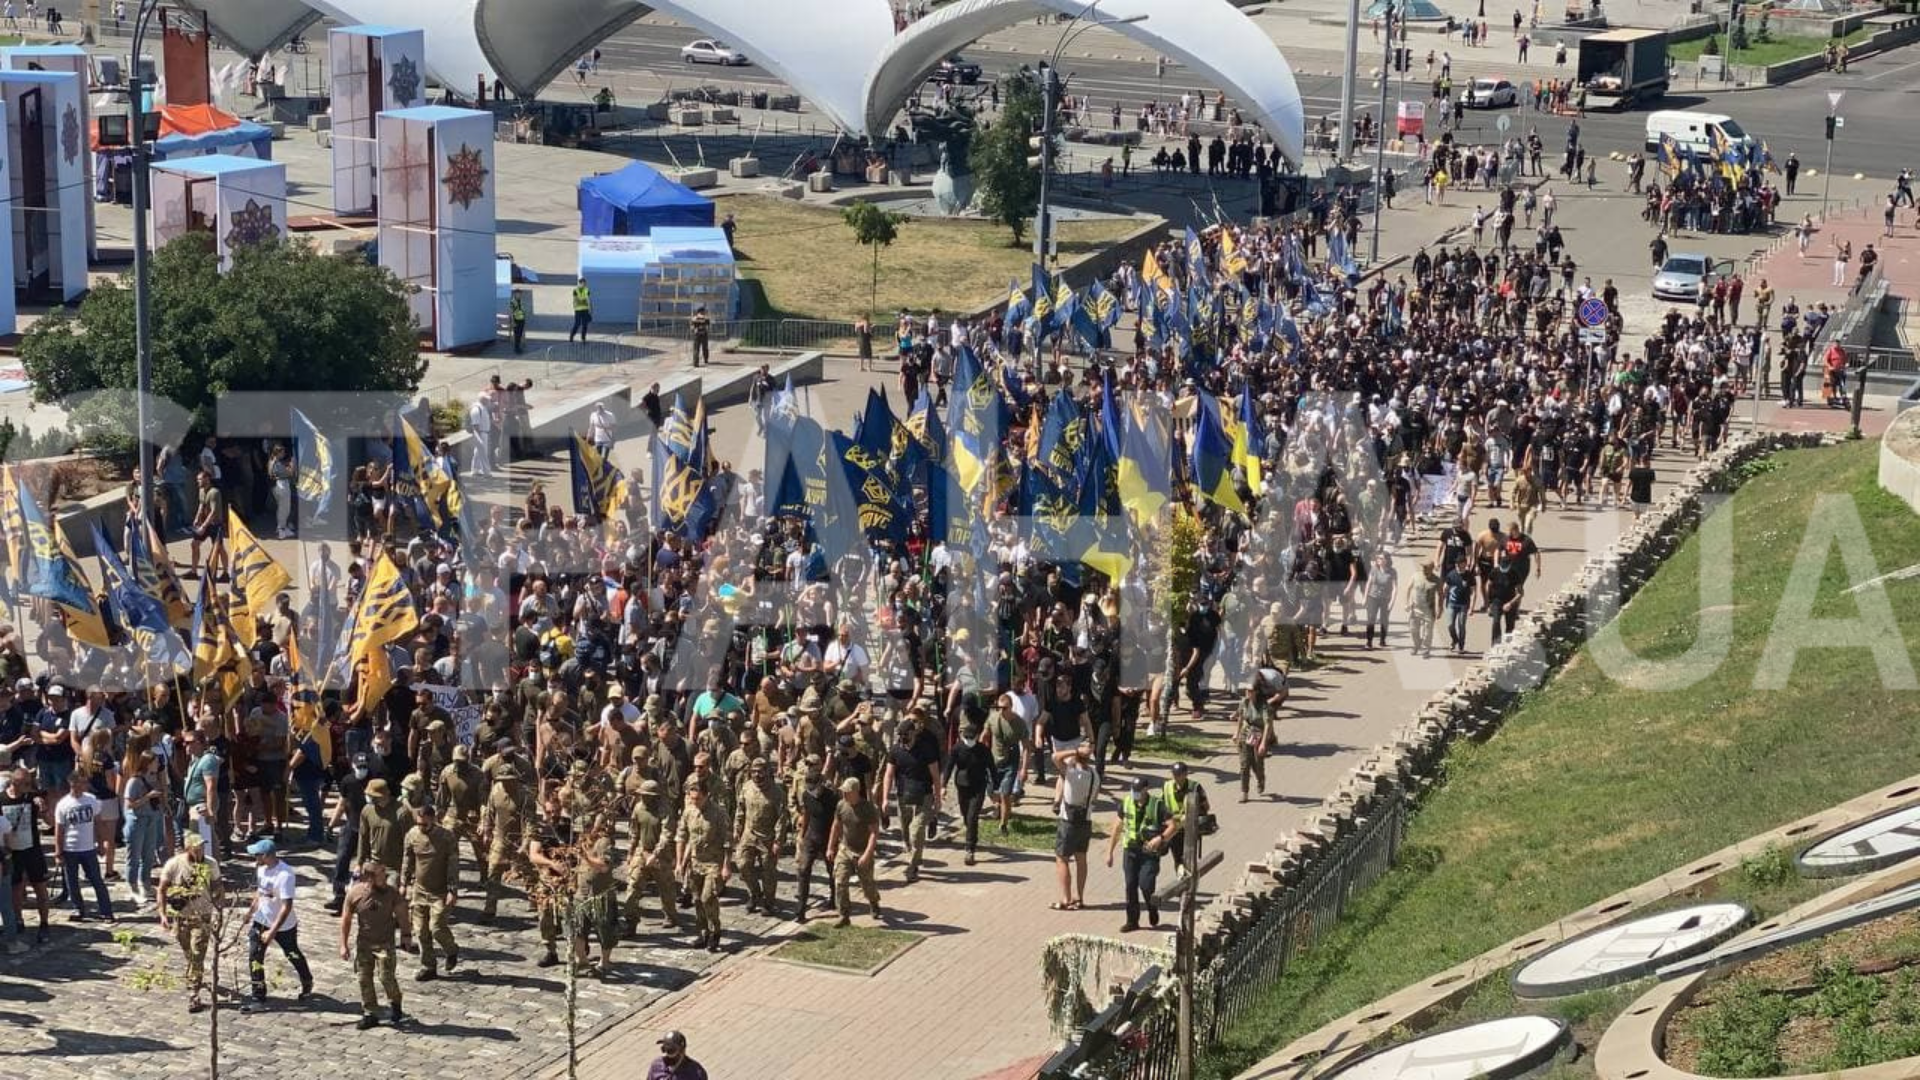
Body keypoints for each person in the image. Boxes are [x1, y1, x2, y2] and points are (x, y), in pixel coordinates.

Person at [243, 838, 314, 1012]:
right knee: (255, 956)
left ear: (266, 855)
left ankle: (307, 980)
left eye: (257, 854)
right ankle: (258, 997)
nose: (254, 857)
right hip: (261, 920)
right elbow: (260, 894)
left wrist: (273, 931)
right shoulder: (261, 870)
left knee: (292, 953)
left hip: (283, 926)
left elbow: (286, 906)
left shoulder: (285, 874)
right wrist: (250, 912)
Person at [339, 858, 406, 1029]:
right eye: (381, 874)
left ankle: (395, 1003)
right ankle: (370, 1013)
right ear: (369, 878)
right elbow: (346, 919)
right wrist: (343, 944)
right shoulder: (356, 894)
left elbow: (402, 914)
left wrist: (406, 935)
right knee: (363, 978)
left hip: (385, 943)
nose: (385, 877)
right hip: (364, 944)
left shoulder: (391, 893)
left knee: (386, 977)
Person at [400, 802, 459, 981]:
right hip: (419, 890)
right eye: (419, 824)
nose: (421, 827)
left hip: (439, 892)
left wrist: (452, 890)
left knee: (437, 928)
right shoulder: (412, 835)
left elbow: (453, 865)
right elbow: (407, 859)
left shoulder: (446, 837)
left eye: (424, 824)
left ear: (433, 820)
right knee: (421, 931)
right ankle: (428, 965)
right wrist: (404, 882)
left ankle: (452, 950)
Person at [1105, 775, 1172, 933]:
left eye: (1138, 791)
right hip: (1130, 850)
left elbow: (1172, 826)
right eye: (1133, 790)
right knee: (1130, 886)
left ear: (1146, 790)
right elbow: (1117, 827)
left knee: (1146, 885)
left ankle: (1152, 907)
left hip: (1149, 851)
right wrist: (1110, 852)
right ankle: (1132, 921)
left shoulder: (1157, 805)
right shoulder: (1127, 802)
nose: (1135, 794)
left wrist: (1160, 838)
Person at [673, 776, 729, 952]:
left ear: (707, 796)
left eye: (698, 798)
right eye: (691, 798)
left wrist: (726, 866)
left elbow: (728, 841)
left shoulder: (719, 814)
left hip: (713, 862)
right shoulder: (689, 812)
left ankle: (715, 932)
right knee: (697, 899)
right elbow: (682, 837)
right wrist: (680, 862)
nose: (694, 801)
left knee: (708, 898)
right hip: (696, 862)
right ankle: (703, 932)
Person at [54, 771, 114, 922]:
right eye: (81, 782)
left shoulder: (92, 800)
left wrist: (101, 844)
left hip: (88, 848)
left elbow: (98, 823)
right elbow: (59, 830)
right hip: (70, 848)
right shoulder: (63, 804)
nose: (84, 786)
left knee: (96, 880)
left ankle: (106, 910)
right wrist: (58, 852)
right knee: (72, 881)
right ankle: (78, 908)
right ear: (72, 784)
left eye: (85, 782)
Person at [827, 775, 881, 926]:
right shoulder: (841, 805)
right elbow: (836, 826)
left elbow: (874, 833)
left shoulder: (868, 808)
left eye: (847, 792)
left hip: (863, 851)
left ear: (856, 792)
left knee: (867, 884)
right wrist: (831, 847)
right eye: (843, 791)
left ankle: (874, 901)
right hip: (845, 849)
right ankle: (844, 914)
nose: (844, 794)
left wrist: (867, 854)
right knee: (840, 881)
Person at [1050, 744, 1095, 911]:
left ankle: (1066, 898)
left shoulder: (1071, 773)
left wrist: (1075, 751)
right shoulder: (1094, 774)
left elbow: (1055, 757)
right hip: (1086, 820)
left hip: (1068, 821)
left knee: (1062, 858)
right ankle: (1080, 897)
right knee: (1081, 858)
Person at [946, 720, 992, 865]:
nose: (969, 741)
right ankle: (971, 833)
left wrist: (995, 788)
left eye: (972, 738)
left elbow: (992, 768)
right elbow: (949, 767)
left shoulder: (983, 750)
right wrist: (943, 786)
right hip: (962, 785)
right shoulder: (957, 748)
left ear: (977, 736)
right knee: (966, 815)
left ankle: (970, 849)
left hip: (978, 786)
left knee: (973, 816)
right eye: (967, 738)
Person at [1233, 672, 1281, 802]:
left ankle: (1261, 779)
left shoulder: (1265, 706)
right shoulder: (1244, 702)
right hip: (1246, 733)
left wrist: (1264, 743)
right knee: (1244, 765)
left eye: (1251, 691)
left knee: (1257, 765)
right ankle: (1244, 792)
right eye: (1246, 690)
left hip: (1259, 735)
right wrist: (1236, 734)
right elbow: (1241, 717)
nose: (1248, 693)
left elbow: (1267, 725)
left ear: (1257, 691)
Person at [187, 468, 227, 580]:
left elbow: (213, 512)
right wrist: (196, 518)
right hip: (205, 523)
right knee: (194, 544)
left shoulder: (214, 493)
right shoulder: (201, 491)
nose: (198, 482)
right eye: (197, 479)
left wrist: (203, 527)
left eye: (200, 479)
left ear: (207, 479)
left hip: (215, 524)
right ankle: (193, 572)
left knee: (219, 548)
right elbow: (201, 505)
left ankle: (225, 573)